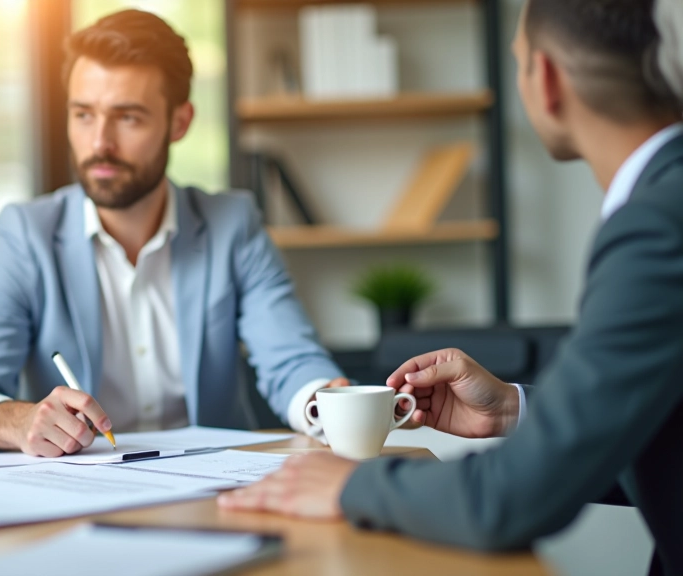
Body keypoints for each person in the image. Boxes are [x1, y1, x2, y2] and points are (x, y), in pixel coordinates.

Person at [218, 1, 683, 574]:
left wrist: (356, 485)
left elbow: (513, 500)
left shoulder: (657, 226)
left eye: (517, 64)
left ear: (549, 80)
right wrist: (511, 409)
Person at [0, 10, 348, 458]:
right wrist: (17, 421)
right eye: (83, 114)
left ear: (179, 123)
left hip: (215, 491)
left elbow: (292, 361)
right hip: (76, 497)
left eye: (128, 118)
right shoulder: (28, 235)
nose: (100, 142)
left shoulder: (232, 225)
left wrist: (329, 402)